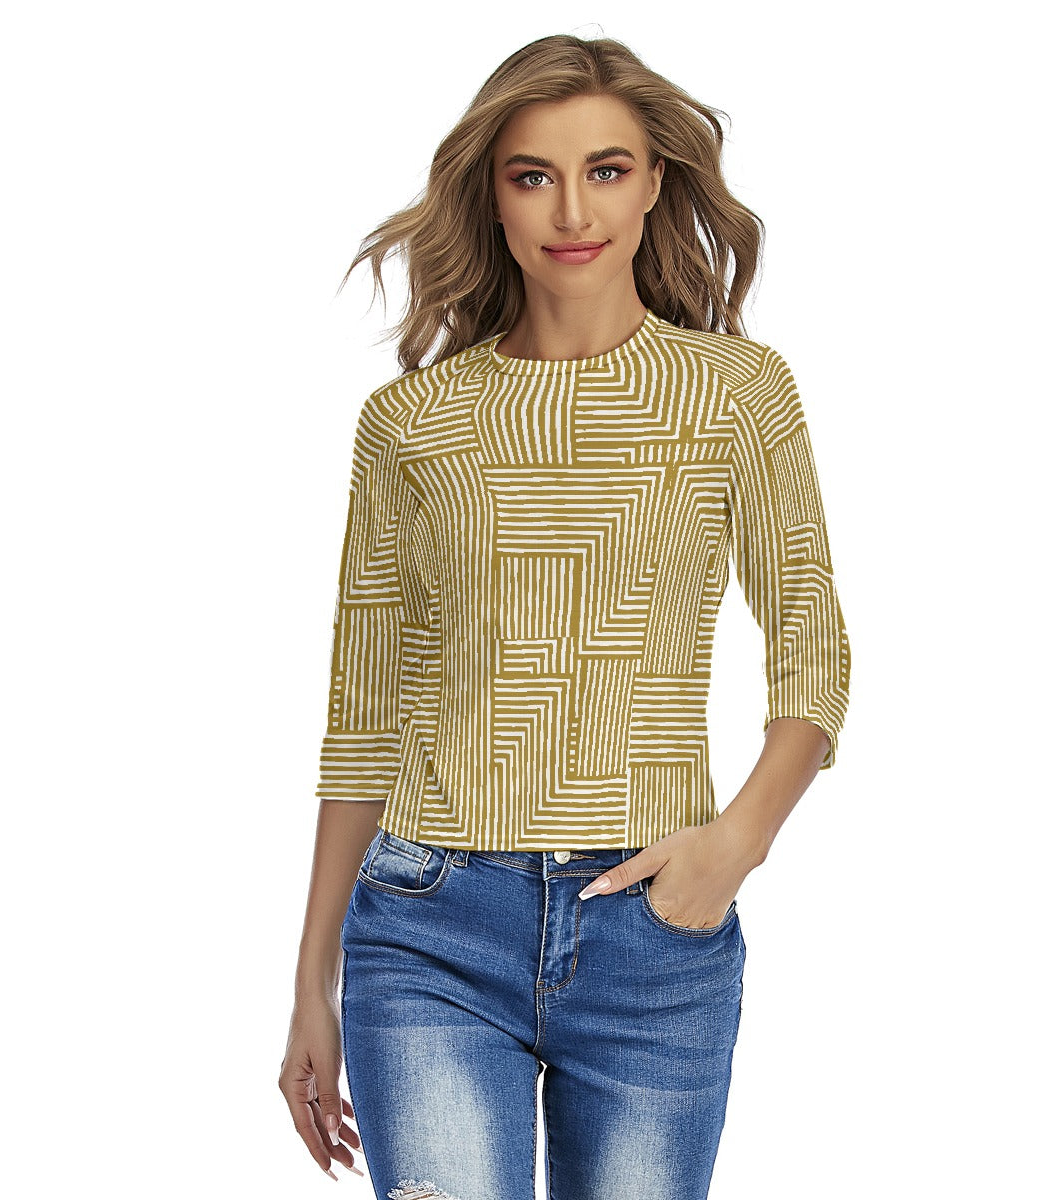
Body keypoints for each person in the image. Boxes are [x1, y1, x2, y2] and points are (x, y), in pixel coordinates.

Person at [279, 33, 851, 1200]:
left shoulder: (737, 394)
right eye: (533, 175)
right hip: (429, 931)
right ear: (492, 196)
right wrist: (310, 986)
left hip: (655, 939)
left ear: (654, 184)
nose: (572, 210)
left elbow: (813, 649)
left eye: (607, 170)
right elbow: (364, 714)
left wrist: (733, 848)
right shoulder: (410, 424)